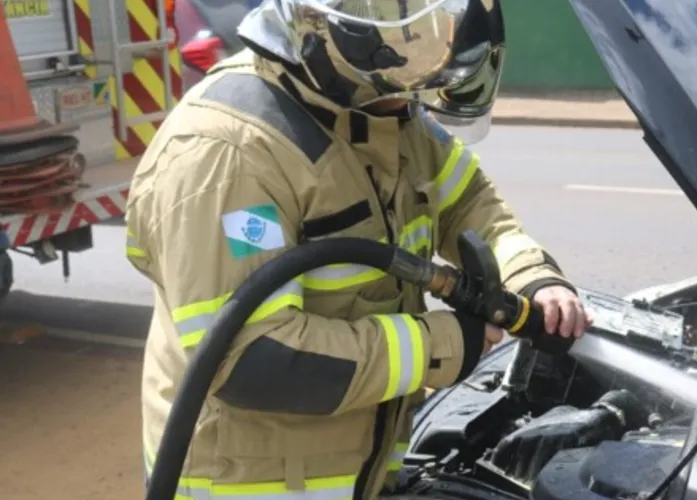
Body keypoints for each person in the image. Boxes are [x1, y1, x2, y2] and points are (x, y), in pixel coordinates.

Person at [123, 0, 591, 498]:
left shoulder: (379, 107)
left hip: (356, 472)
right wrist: (441, 345)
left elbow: (468, 201)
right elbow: (252, 359)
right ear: (337, 38)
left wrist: (531, 276)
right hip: (248, 485)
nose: (413, 106)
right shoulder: (227, 155)